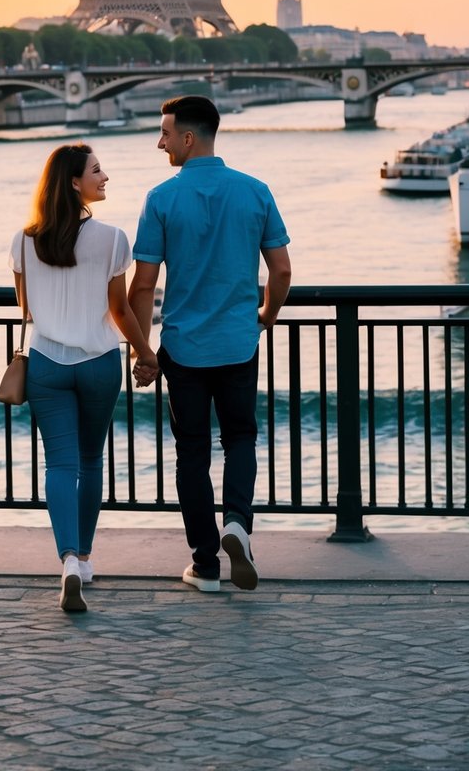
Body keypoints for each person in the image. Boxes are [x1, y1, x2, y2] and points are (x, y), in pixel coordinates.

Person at [129, 95, 291, 593]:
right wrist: (265, 315)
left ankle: (204, 565)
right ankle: (237, 523)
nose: (160, 143)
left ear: (188, 137)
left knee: (192, 454)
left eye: (164, 133)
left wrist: (143, 351)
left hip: (184, 347)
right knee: (241, 438)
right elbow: (281, 270)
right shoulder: (255, 191)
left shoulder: (160, 199)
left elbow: (141, 286)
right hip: (239, 343)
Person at [10, 143, 158, 613]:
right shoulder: (113, 239)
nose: (105, 177)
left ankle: (68, 560)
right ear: (75, 182)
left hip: (47, 363)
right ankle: (88, 557)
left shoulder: (24, 240)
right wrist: (144, 351)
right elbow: (118, 309)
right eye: (97, 171)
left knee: (60, 465)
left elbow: (25, 306)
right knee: (92, 460)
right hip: (97, 363)